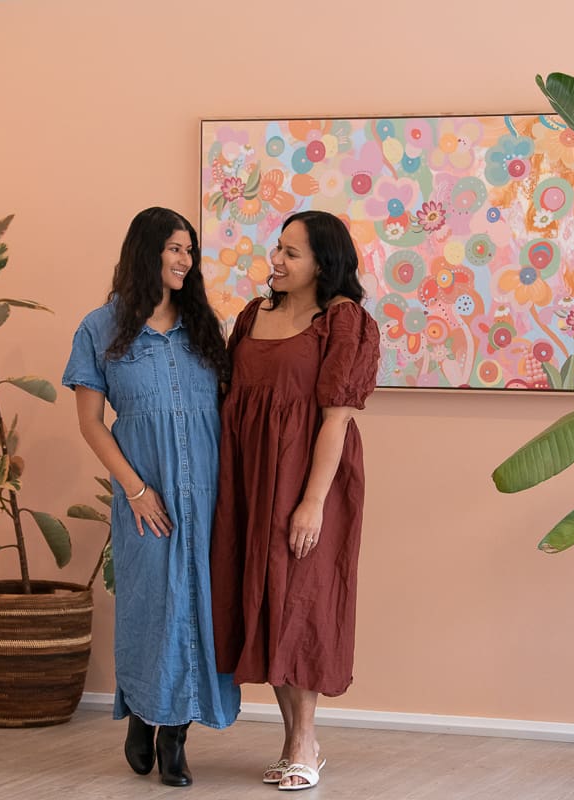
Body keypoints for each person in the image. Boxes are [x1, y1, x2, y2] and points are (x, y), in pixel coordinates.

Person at [62, 206, 240, 787]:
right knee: (150, 611)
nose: (186, 260)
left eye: (190, 250)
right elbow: (91, 423)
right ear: (146, 251)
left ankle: (176, 738)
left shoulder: (204, 327)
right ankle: (141, 711)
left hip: (207, 497)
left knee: (201, 610)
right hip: (146, 499)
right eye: (175, 248)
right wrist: (135, 491)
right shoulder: (100, 328)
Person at [211, 210, 380, 791]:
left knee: (300, 603)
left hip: (310, 478)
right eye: (277, 249)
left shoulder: (342, 322)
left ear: (322, 263)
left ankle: (305, 742)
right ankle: (292, 741)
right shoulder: (252, 316)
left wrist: (312, 503)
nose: (276, 260)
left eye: (291, 253)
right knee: (265, 601)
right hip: (248, 478)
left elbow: (335, 421)